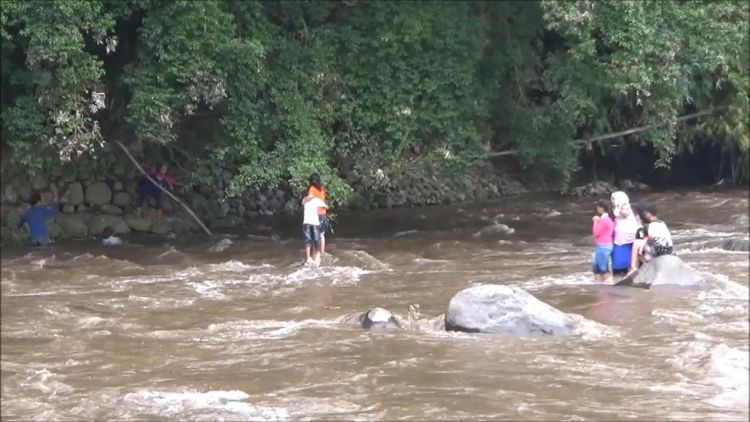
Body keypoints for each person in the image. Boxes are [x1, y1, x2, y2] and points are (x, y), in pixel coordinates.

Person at [627, 202, 673, 275]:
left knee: (637, 243)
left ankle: (633, 268)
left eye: (639, 215)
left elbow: (639, 245)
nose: (637, 217)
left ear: (647, 214)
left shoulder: (645, 228)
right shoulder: (662, 224)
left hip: (655, 256)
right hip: (668, 254)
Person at [610, 191, 639, 274]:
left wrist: (620, 209)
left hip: (627, 236)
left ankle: (624, 270)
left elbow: (625, 213)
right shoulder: (616, 207)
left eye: (613, 199)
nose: (612, 201)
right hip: (621, 237)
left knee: (623, 257)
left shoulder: (626, 206)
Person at [301, 189, 328, 267]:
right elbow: (325, 206)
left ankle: (308, 258)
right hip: (314, 223)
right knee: (316, 240)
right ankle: (317, 256)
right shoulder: (315, 200)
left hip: (306, 223)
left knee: (307, 240)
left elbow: (304, 202)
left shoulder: (304, 200)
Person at [591, 198, 615, 282]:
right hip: (603, 245)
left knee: (603, 268)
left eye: (598, 206)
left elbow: (596, 232)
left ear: (601, 208)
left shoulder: (604, 219)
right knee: (596, 267)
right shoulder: (609, 218)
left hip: (603, 246)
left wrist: (595, 221)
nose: (597, 208)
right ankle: (599, 285)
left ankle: (610, 285)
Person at [305, 173, 328, 254]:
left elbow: (310, 196)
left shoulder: (312, 188)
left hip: (315, 213)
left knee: (315, 234)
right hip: (323, 212)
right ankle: (322, 252)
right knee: (322, 234)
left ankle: (315, 253)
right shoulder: (321, 188)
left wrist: (304, 200)